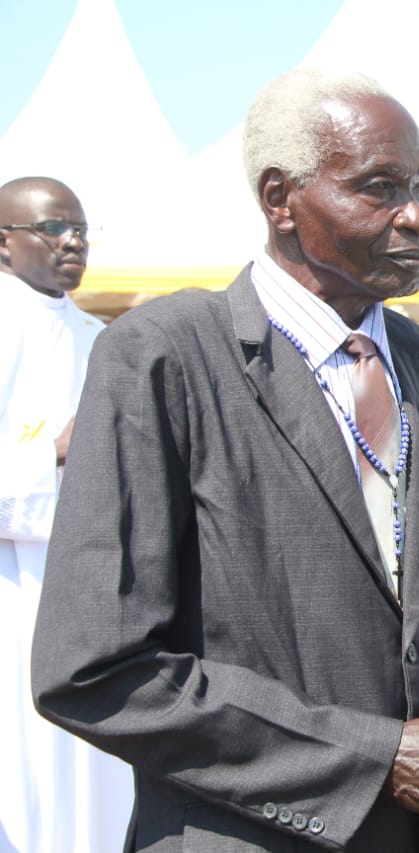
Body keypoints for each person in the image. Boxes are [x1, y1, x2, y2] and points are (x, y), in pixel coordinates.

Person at [30, 68, 419, 852]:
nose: (415, 216)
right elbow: (95, 670)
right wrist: (379, 759)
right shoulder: (165, 358)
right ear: (281, 198)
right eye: (379, 188)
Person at [0, 178, 133, 852]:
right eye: (54, 227)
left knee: (97, 783)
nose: (73, 240)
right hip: (12, 594)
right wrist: (54, 453)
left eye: (80, 228)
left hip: (100, 594)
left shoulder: (101, 337)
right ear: (4, 241)